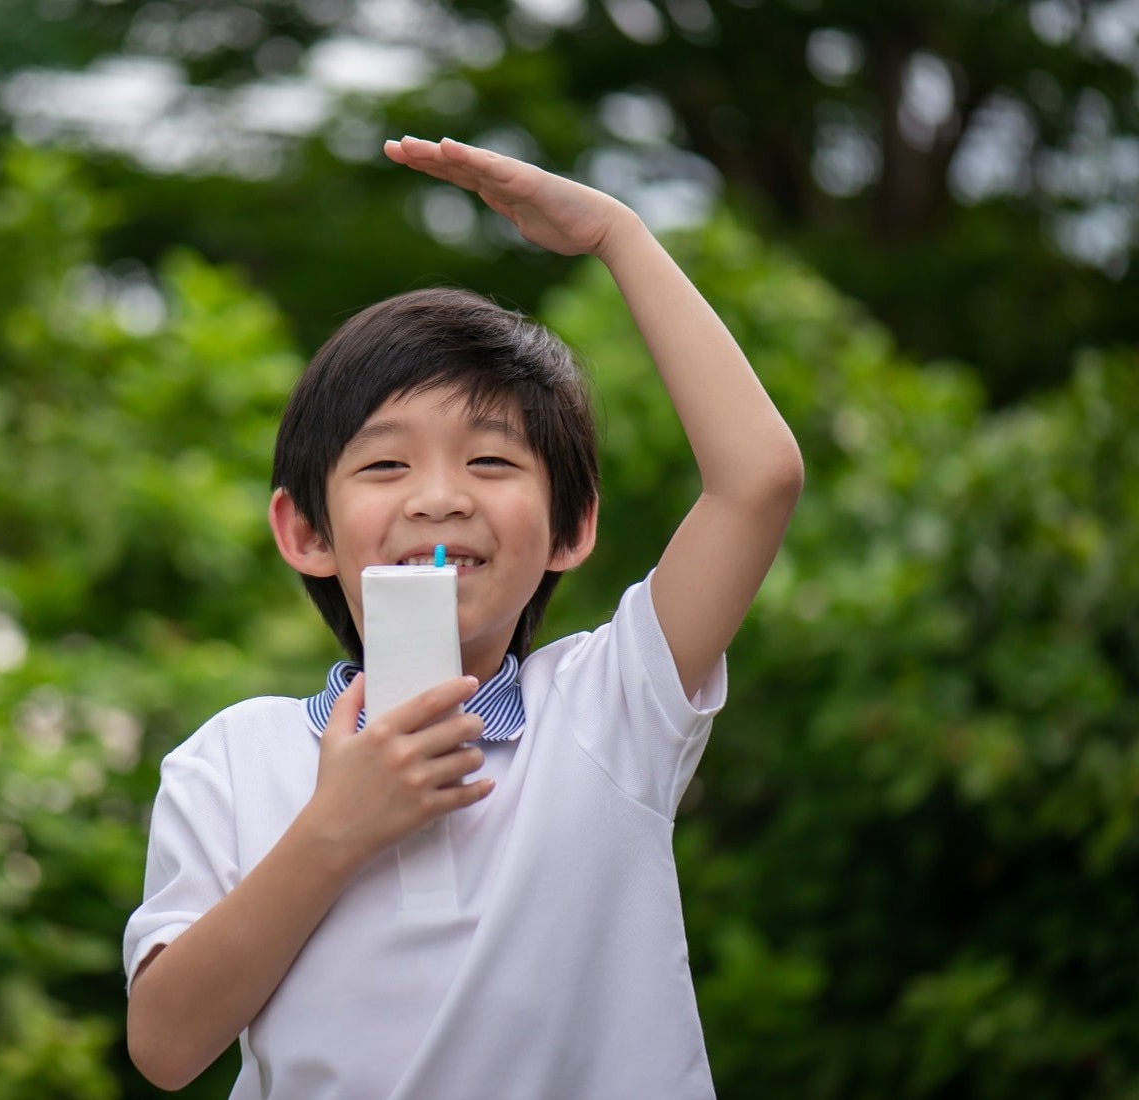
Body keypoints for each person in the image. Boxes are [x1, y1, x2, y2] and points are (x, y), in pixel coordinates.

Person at [122, 135, 803, 1098]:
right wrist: (337, 828)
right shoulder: (233, 760)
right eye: (386, 464)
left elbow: (759, 479)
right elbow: (165, 1043)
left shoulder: (610, 708)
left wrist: (617, 233)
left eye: (491, 462)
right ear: (305, 530)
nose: (440, 499)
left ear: (570, 526)